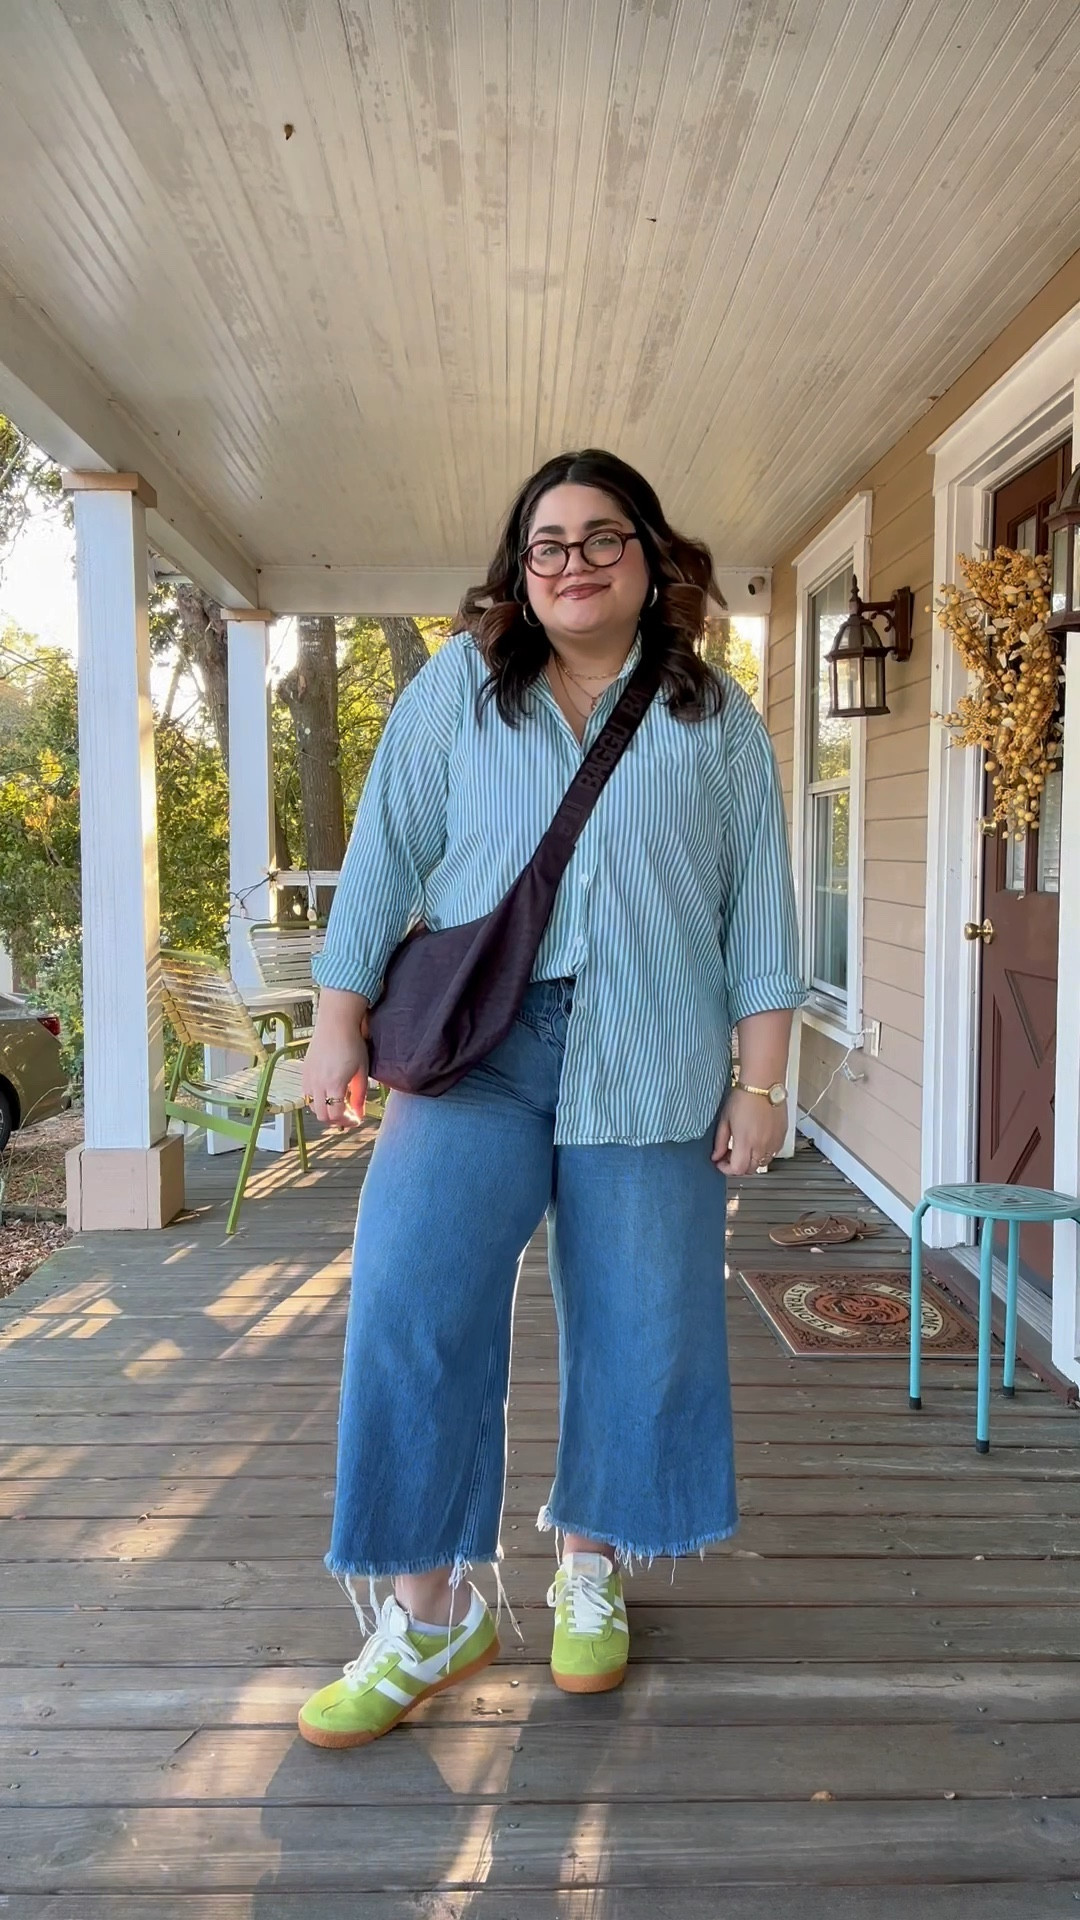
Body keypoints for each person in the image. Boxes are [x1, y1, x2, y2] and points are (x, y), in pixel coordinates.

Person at [296, 448, 804, 1749]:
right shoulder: (458, 693)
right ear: (520, 572)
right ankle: (429, 1612)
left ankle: (590, 1564)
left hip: (657, 1050)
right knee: (411, 1306)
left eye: (600, 537)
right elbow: (384, 856)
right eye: (548, 543)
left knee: (642, 1322)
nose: (572, 560)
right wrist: (336, 1020)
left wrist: (761, 1081)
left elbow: (760, 914)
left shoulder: (714, 718)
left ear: (650, 556)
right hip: (478, 1052)